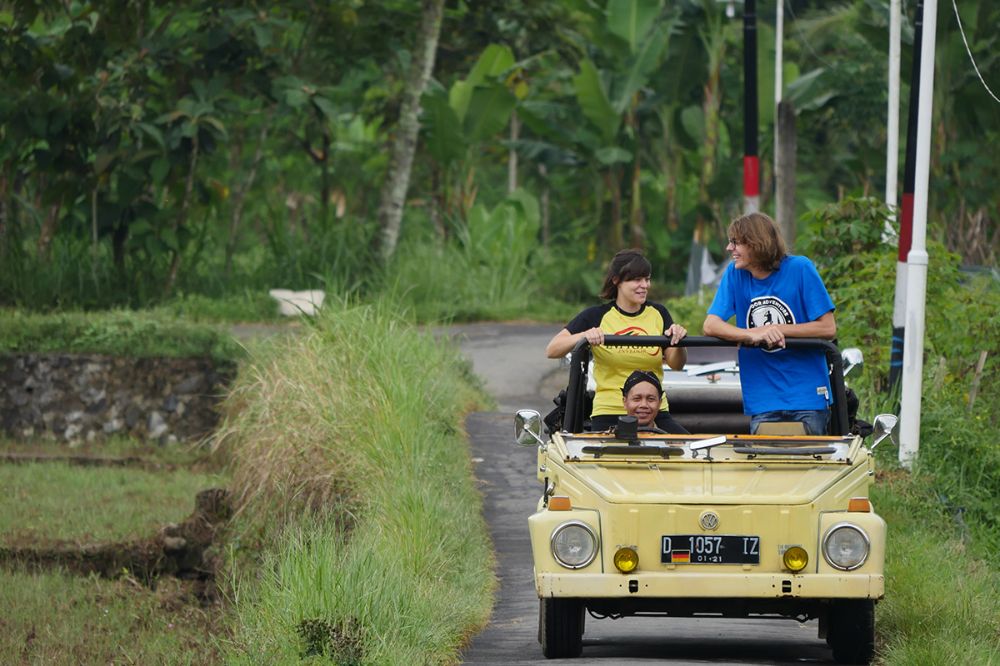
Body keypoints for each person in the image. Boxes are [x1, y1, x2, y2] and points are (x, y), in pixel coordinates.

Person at [702, 212, 836, 435]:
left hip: (806, 395)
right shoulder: (735, 275)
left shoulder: (800, 268)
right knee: (765, 467)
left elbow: (828, 328)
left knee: (807, 466)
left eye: (736, 242)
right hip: (762, 397)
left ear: (756, 243)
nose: (729, 248)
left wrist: (777, 329)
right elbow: (711, 325)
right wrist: (751, 334)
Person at [545, 249, 689, 433]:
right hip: (610, 411)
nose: (644, 285)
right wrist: (584, 336)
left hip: (654, 412)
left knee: (691, 451)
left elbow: (676, 363)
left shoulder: (659, 313)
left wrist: (679, 340)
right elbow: (552, 350)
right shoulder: (596, 316)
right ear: (616, 281)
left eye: (647, 279)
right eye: (637, 280)